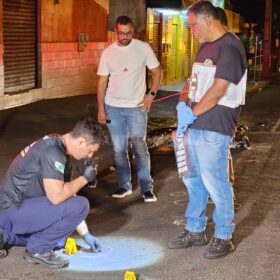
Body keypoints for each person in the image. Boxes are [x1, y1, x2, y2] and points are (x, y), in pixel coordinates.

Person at [168, 0, 247, 259]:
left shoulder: (231, 47)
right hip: (194, 124)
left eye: (193, 25)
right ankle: (195, 229)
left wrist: (191, 114)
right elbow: (192, 83)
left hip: (215, 126)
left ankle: (223, 235)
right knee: (193, 180)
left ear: (208, 19)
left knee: (216, 181)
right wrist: (182, 107)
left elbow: (218, 90)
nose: (191, 31)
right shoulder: (205, 48)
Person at [0, 110, 103, 268]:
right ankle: (37, 251)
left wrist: (86, 234)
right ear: (82, 141)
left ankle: (4, 236)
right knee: (81, 205)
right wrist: (85, 178)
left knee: (58, 240)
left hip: (12, 210)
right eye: (90, 150)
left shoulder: (56, 144)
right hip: (12, 211)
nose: (89, 156)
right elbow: (57, 197)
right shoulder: (53, 152)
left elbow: (68, 195)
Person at [97, 15, 162, 202]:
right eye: (120, 33)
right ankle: (124, 185)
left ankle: (146, 187)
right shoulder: (108, 52)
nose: (124, 36)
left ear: (133, 31)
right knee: (119, 149)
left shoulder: (143, 49)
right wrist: (101, 109)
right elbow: (101, 82)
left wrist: (151, 94)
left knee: (139, 146)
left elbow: (157, 72)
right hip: (113, 107)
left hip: (136, 108)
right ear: (115, 32)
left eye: (128, 33)